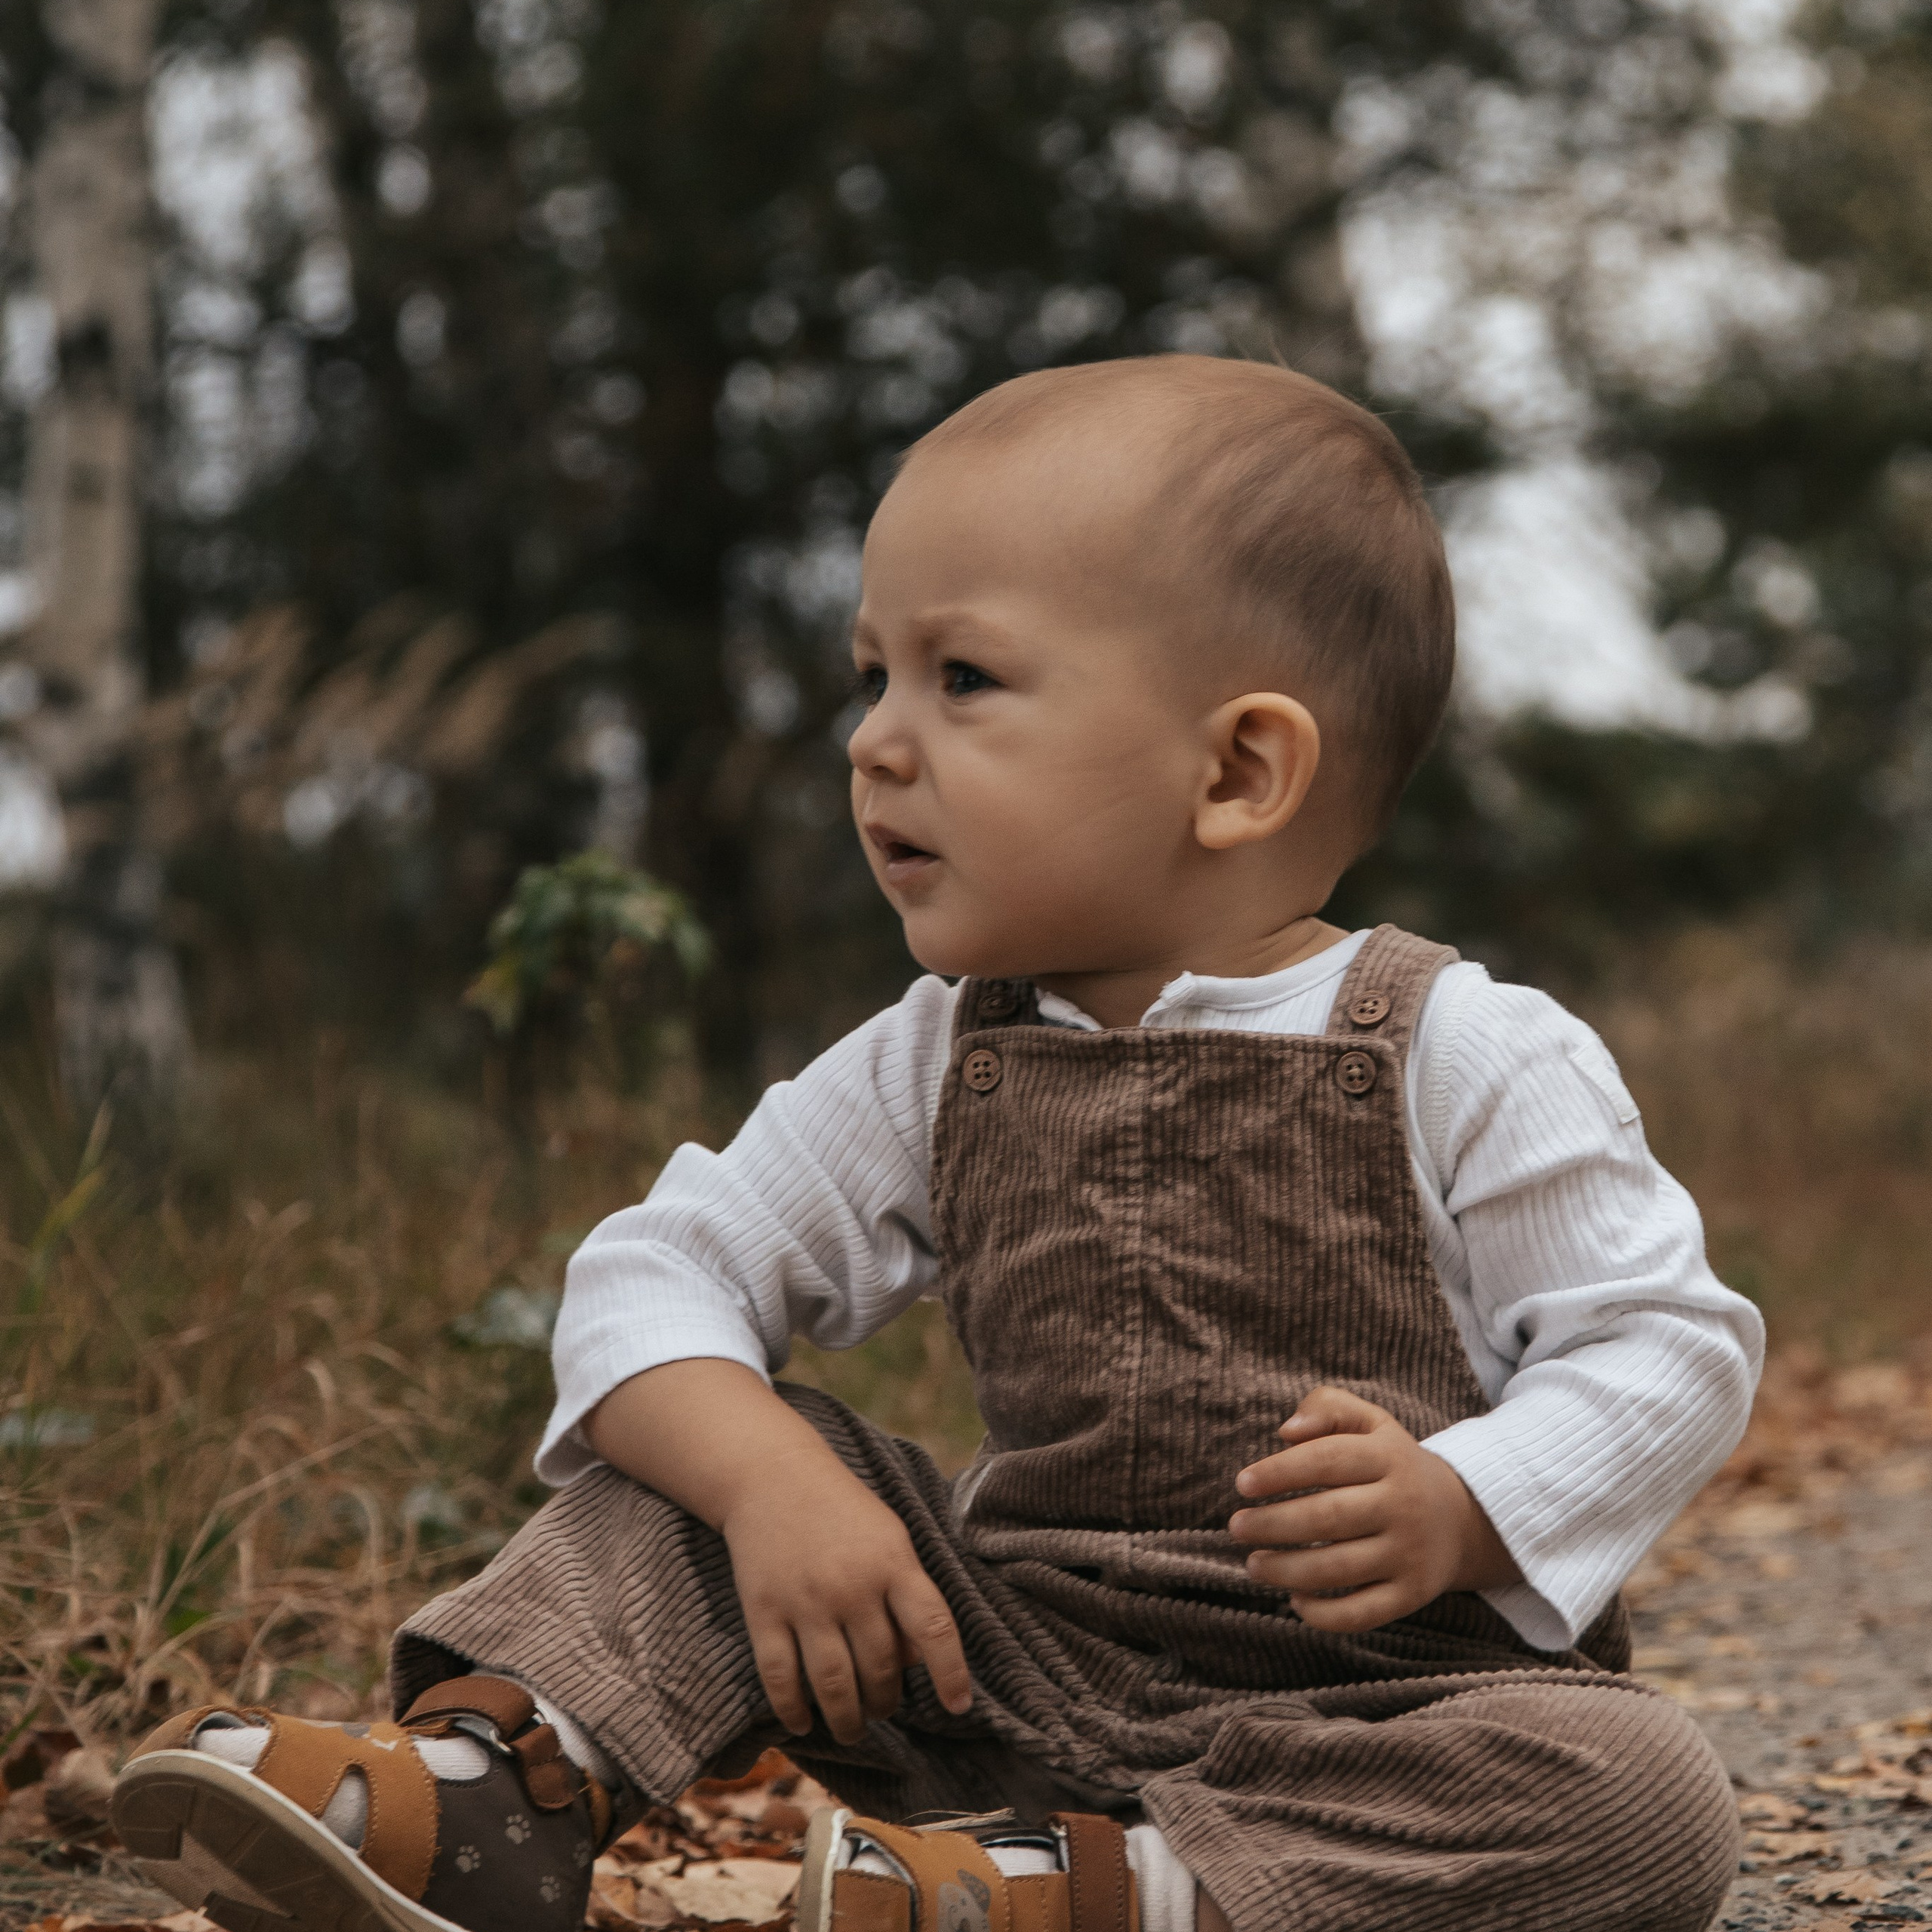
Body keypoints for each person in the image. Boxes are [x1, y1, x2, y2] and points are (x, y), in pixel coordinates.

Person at [113, 355, 1761, 1932]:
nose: (873, 741)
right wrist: (771, 1484)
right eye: (872, 677)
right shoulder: (933, 1056)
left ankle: (1109, 1896)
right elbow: (655, 1271)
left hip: (1387, 1713)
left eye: (960, 679)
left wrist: (1466, 1498)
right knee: (695, 1463)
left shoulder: (1465, 1050)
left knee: (1642, 1796)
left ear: (1238, 769)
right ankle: (491, 1798)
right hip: (996, 1673)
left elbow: (1662, 1346)